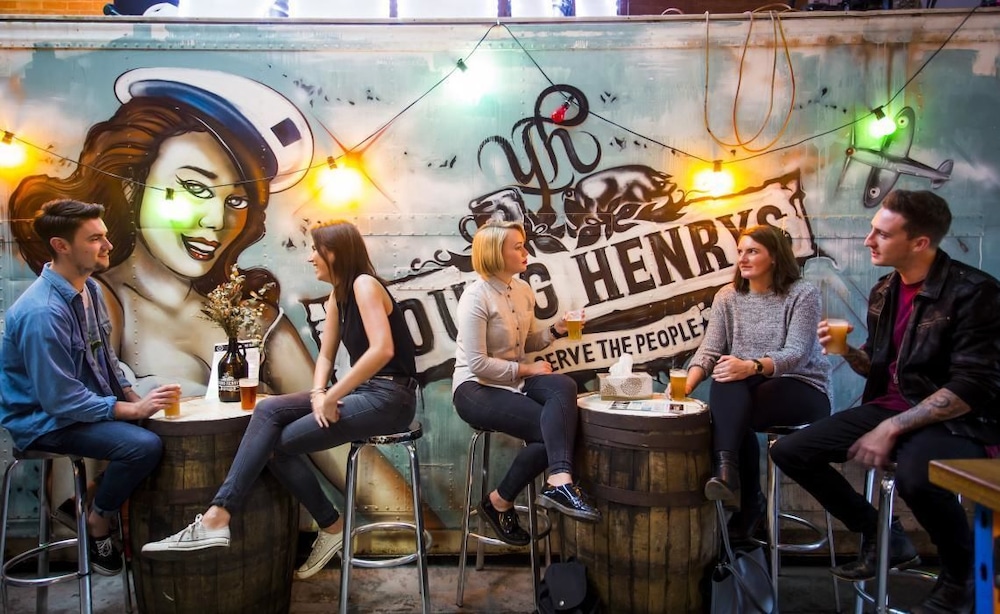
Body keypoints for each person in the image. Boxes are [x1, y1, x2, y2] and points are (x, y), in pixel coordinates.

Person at [7, 67, 427, 533]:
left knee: (270, 431)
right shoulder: (93, 301)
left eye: (235, 201)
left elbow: (362, 457)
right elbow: (67, 473)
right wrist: (319, 394)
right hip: (127, 489)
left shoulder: (259, 315)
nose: (215, 221)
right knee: (264, 417)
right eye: (194, 188)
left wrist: (411, 526)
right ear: (131, 186)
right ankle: (226, 519)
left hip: (377, 399)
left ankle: (248, 518)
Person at [142, 220, 419, 581]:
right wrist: (319, 393)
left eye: (315, 250)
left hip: (391, 397)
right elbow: (325, 355)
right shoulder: (338, 295)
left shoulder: (364, 285)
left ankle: (231, 517)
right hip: (366, 393)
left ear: (334, 253)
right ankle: (227, 516)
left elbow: (382, 350)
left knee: (275, 446)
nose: (310, 257)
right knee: (268, 409)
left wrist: (332, 395)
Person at [770, 190, 1000, 614]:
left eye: (882, 234)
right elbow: (881, 369)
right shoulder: (885, 291)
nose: (867, 240)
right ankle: (883, 534)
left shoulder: (975, 292)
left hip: (958, 421)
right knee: (791, 451)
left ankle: (961, 578)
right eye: (872, 229)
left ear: (920, 242)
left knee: (917, 475)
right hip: (892, 407)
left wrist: (891, 428)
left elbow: (974, 386)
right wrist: (847, 352)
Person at [0, 199, 179, 575]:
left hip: (73, 410)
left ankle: (83, 502)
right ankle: (98, 521)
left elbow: (105, 359)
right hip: (44, 422)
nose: (108, 245)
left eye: (105, 236)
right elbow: (58, 399)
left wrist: (132, 397)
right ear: (61, 245)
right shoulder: (43, 312)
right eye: (95, 238)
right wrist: (131, 411)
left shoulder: (89, 290)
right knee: (142, 446)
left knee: (161, 417)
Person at [452, 219, 600, 547]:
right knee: (554, 429)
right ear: (495, 253)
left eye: (524, 245)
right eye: (517, 247)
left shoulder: (522, 290)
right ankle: (510, 497)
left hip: (514, 380)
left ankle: (550, 482)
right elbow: (478, 363)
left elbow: (525, 343)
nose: (526, 252)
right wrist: (528, 370)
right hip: (475, 387)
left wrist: (557, 330)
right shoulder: (475, 297)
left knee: (563, 386)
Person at [686, 224, 831, 540]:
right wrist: (684, 388)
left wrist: (750, 366)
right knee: (727, 379)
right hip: (746, 390)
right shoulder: (728, 296)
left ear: (775, 256)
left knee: (731, 404)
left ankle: (741, 491)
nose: (742, 258)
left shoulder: (802, 293)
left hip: (802, 387)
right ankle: (732, 477)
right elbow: (709, 352)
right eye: (740, 251)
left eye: (752, 251)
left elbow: (796, 354)